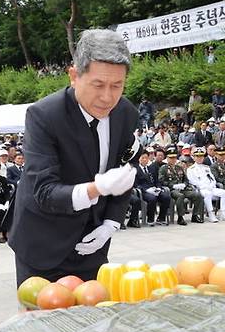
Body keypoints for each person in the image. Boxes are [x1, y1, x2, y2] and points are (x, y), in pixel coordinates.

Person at [9, 29, 139, 287]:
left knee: (94, 316)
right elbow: (44, 191)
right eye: (98, 85)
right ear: (74, 76)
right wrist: (97, 188)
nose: (107, 97)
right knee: (44, 319)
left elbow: (126, 170)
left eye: (117, 86)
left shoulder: (126, 114)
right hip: (43, 241)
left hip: (94, 239)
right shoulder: (44, 116)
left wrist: (111, 223)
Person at [159, 146, 204, 225]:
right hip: (172, 189)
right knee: (180, 196)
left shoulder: (179, 167)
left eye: (174, 158)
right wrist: (173, 186)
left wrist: (184, 184)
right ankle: (180, 217)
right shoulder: (163, 168)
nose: (173, 159)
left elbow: (186, 179)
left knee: (197, 195)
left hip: (182, 188)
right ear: (167, 158)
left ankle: (195, 215)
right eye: (171, 158)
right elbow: (161, 181)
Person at [187, 146, 225, 222]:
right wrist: (204, 186)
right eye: (197, 156)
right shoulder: (191, 169)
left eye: (201, 156)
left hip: (211, 188)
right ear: (194, 157)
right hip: (201, 189)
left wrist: (212, 185)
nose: (199, 158)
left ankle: (223, 212)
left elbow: (212, 178)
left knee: (224, 192)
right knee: (207, 194)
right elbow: (192, 181)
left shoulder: (206, 167)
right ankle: (211, 214)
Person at [134, 152, 170, 226]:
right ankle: (150, 219)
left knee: (166, 197)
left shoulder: (151, 168)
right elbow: (136, 184)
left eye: (146, 158)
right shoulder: (135, 170)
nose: (144, 160)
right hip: (143, 191)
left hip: (154, 189)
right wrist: (146, 190)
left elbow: (157, 180)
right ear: (139, 159)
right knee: (152, 199)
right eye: (142, 158)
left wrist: (159, 188)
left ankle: (161, 218)